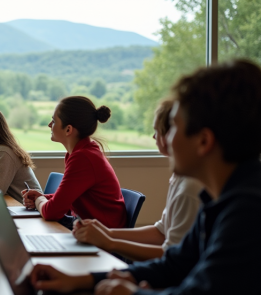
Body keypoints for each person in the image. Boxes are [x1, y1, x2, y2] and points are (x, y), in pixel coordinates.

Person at [29, 59, 261, 295]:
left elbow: (200, 291)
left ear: (203, 141)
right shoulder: (217, 197)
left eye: (174, 128)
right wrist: (82, 280)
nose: (166, 140)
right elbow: (175, 263)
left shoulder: (246, 211)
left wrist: (131, 293)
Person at [72, 100, 202, 262]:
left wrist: (110, 243)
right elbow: (161, 232)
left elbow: (174, 260)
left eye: (158, 130)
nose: (154, 136)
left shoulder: (190, 188)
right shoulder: (179, 177)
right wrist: (106, 232)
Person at [22, 96, 127, 229]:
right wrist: (44, 198)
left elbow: (51, 213)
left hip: (101, 236)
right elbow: (72, 197)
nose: (49, 125)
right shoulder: (82, 152)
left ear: (68, 130)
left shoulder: (83, 158)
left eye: (53, 121)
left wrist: (39, 200)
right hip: (88, 228)